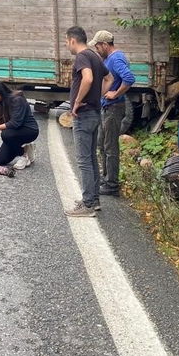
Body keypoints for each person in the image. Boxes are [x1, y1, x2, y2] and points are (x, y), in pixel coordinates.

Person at [64, 26, 108, 217]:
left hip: (83, 115)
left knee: (83, 161)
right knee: (91, 158)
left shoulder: (82, 56)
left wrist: (78, 102)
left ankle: (87, 205)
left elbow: (88, 79)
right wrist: (96, 98)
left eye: (67, 42)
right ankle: (94, 199)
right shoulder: (96, 56)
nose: (67, 45)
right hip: (95, 113)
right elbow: (110, 79)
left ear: (73, 40)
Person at [89, 30, 136, 197]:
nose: (96, 49)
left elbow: (129, 78)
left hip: (114, 107)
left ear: (105, 44)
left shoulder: (116, 59)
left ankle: (112, 185)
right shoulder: (109, 58)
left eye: (97, 46)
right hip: (107, 107)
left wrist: (115, 93)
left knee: (110, 147)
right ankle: (106, 178)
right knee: (102, 143)